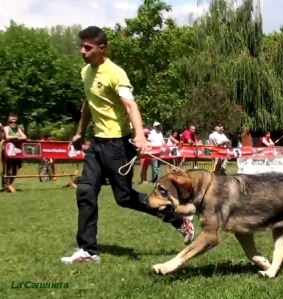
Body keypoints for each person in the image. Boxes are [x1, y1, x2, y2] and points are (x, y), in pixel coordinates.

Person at [60, 26, 194, 264]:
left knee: (124, 198)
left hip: (118, 146)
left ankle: (177, 219)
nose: (82, 51)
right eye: (81, 46)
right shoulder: (85, 73)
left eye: (87, 47)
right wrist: (80, 131)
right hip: (97, 144)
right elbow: (89, 104)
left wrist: (140, 136)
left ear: (102, 48)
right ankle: (88, 250)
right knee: (85, 190)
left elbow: (131, 106)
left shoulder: (116, 74)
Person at [2, 114, 27, 191]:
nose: (13, 123)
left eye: (15, 122)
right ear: (8, 122)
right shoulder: (6, 128)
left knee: (16, 169)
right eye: (11, 122)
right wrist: (17, 137)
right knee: (7, 169)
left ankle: (9, 185)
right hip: (7, 152)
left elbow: (25, 137)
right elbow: (7, 137)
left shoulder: (18, 129)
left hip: (17, 152)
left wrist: (16, 138)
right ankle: (6, 185)